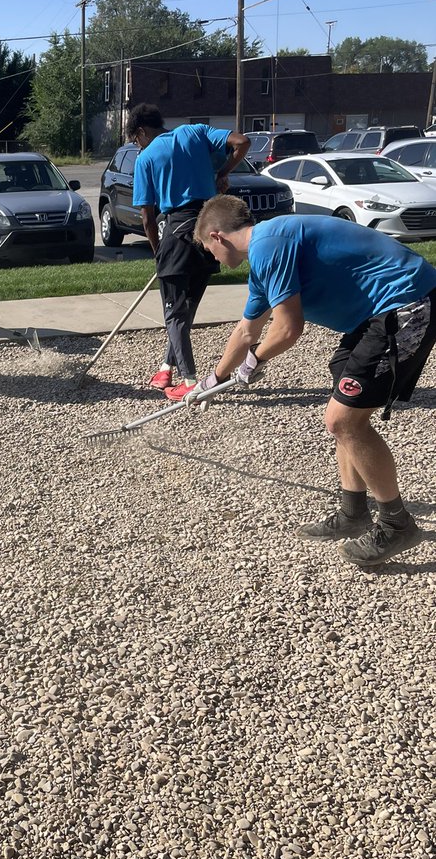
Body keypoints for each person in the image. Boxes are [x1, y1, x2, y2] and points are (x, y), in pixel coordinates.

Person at [190, 197, 436, 567]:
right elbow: (246, 331)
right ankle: (354, 512)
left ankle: (397, 523)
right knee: (345, 407)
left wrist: (256, 361)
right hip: (370, 316)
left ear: (217, 236)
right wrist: (213, 379)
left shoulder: (268, 245)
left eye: (208, 249)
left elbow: (288, 328)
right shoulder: (263, 261)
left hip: (405, 302)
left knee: (343, 419)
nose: (211, 257)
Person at [127, 103, 249, 400]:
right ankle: (166, 366)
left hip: (178, 231)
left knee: (174, 313)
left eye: (135, 139)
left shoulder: (146, 157)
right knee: (187, 307)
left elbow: (147, 218)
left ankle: (190, 381)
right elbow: (242, 142)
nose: (136, 144)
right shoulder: (197, 132)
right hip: (210, 231)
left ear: (141, 132)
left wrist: (159, 254)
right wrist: (223, 173)